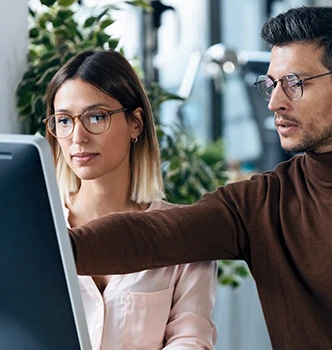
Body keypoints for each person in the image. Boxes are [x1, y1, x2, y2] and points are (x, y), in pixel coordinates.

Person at [67, 5, 332, 349]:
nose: (275, 102)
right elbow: (154, 233)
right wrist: (51, 247)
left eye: (294, 83)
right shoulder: (262, 204)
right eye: (272, 84)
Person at [44, 49, 217, 350]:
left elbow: (191, 340)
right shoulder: (38, 230)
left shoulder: (186, 235)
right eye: (63, 121)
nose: (77, 136)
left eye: (96, 117)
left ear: (135, 123)